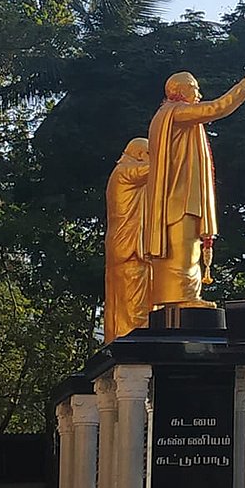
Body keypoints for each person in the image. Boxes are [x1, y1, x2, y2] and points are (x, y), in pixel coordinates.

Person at [144, 66, 245, 306]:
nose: (199, 93)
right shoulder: (176, 113)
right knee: (183, 250)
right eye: (195, 88)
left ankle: (184, 297)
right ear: (180, 91)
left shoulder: (167, 116)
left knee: (185, 248)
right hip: (180, 196)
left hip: (178, 195)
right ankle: (184, 298)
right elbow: (217, 108)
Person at [104, 137, 151, 341]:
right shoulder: (125, 173)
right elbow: (159, 168)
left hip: (126, 249)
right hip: (130, 250)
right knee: (134, 307)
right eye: (150, 154)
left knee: (123, 304)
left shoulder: (121, 174)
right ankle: (133, 348)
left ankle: (120, 344)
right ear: (140, 154)